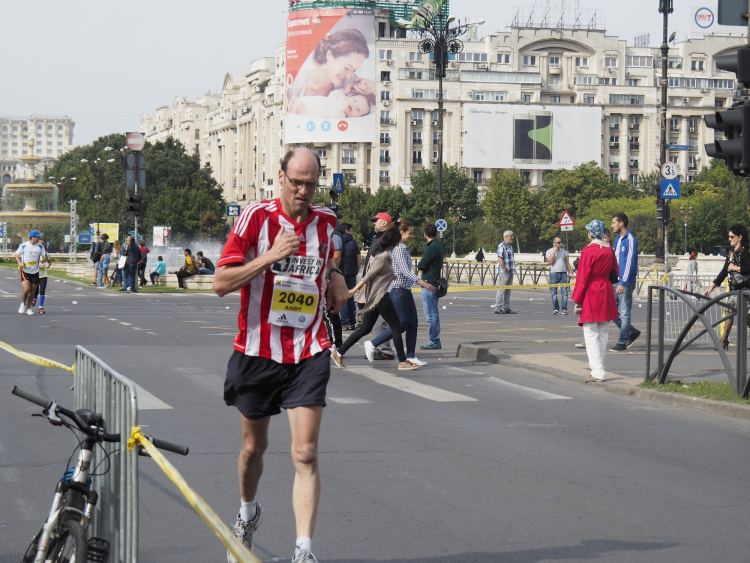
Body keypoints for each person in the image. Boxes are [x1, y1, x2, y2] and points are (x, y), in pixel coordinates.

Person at [213, 147, 348, 563]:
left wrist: (337, 278)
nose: (303, 191)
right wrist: (270, 256)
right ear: (281, 177)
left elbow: (323, 266)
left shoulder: (326, 223)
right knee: (254, 449)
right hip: (257, 349)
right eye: (296, 182)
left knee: (305, 452)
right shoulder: (256, 217)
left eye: (311, 183)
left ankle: (303, 550)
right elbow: (220, 282)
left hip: (308, 349)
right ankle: (248, 510)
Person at [331, 227, 420, 371]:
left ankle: (339, 352)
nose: (398, 244)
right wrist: (354, 290)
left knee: (365, 328)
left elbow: (378, 273)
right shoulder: (383, 256)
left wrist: (391, 276)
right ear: (392, 241)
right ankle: (402, 361)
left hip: (375, 297)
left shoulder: (378, 254)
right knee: (397, 327)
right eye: (397, 241)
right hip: (380, 297)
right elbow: (369, 275)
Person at [366, 220, 435, 366]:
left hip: (405, 289)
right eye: (410, 233)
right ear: (401, 232)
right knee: (401, 324)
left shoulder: (403, 248)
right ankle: (373, 344)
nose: (412, 236)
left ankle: (410, 356)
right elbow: (404, 270)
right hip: (398, 290)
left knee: (412, 324)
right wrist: (422, 283)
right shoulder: (399, 248)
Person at [571, 220, 619, 382]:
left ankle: (597, 371)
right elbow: (615, 272)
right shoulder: (609, 250)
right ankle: (599, 368)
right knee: (603, 332)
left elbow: (583, 277)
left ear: (591, 234)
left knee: (591, 333)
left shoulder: (588, 251)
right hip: (606, 289)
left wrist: (578, 300)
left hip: (592, 291)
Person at [288, 28, 375, 103]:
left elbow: (376, 103)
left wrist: (373, 88)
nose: (349, 76)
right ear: (329, 55)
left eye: (354, 70)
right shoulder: (297, 77)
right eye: (347, 68)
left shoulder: (349, 83)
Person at [703, 224, 750, 350]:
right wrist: (711, 287)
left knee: (747, 317)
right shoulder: (730, 253)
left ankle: (723, 341)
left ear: (740, 237)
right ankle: (723, 341)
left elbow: (748, 269)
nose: (729, 239)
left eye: (732, 237)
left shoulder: (744, 253)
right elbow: (724, 271)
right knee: (729, 313)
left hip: (745, 290)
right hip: (735, 291)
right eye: (729, 237)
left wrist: (734, 268)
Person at [363, 212, 395, 359]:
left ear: (384, 223)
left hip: (380, 285)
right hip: (378, 283)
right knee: (375, 319)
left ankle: (384, 350)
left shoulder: (386, 239)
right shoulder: (381, 238)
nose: (373, 223)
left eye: (376, 221)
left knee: (380, 320)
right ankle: (379, 348)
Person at [610, 213, 641, 351]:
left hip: (625, 281)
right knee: (609, 309)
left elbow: (629, 262)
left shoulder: (630, 239)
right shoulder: (618, 239)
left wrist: (623, 282)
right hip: (616, 280)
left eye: (613, 223)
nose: (612, 225)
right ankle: (632, 331)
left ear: (621, 223)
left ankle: (622, 341)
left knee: (624, 311)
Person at [418, 223, 445, 350]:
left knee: (431, 314)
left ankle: (434, 339)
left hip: (429, 282)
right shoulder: (438, 245)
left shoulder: (431, 247)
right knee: (433, 312)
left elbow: (422, 265)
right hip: (434, 280)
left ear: (425, 234)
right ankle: (435, 339)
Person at [15, 230, 46, 315]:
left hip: (35, 271)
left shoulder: (40, 246)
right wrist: (19, 263)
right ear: (33, 237)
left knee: (32, 291)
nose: (39, 238)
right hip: (25, 271)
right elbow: (16, 254)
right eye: (38, 237)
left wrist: (43, 259)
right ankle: (23, 304)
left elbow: (44, 255)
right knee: (27, 289)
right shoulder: (24, 245)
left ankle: (29, 308)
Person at [288, 91, 375, 118]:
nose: (355, 106)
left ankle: (292, 113)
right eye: (355, 100)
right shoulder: (339, 98)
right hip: (310, 102)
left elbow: (330, 115)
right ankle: (294, 105)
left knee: (296, 106)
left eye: (358, 110)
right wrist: (343, 95)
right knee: (296, 101)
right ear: (350, 97)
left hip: (309, 111)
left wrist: (341, 102)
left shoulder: (341, 116)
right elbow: (332, 94)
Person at [340, 222, 361, 331]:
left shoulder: (338, 240)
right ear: (347, 230)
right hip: (352, 274)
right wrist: (356, 271)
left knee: (343, 298)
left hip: (341, 274)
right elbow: (359, 260)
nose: (352, 232)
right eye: (351, 230)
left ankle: (343, 323)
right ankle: (352, 322)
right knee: (351, 297)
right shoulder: (354, 243)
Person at [546, 236, 572, 314]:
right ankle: (556, 308)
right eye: (558, 242)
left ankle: (564, 309)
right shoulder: (549, 251)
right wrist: (554, 252)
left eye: (560, 242)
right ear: (554, 243)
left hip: (563, 273)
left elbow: (566, 262)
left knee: (564, 292)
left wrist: (570, 272)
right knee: (554, 293)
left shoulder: (563, 251)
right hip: (554, 273)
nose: (560, 244)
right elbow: (550, 262)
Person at [494, 231, 516, 315]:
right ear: (506, 237)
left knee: (508, 291)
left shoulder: (510, 246)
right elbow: (500, 258)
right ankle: (498, 307)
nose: (512, 237)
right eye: (511, 236)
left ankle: (507, 308)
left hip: (510, 270)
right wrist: (504, 268)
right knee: (501, 290)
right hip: (504, 271)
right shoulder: (501, 246)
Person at [32, 239, 51, 314]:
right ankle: (34, 298)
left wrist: (48, 265)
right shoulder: (34, 253)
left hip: (43, 275)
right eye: (40, 244)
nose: (41, 245)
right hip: (35, 274)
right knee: (35, 291)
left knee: (42, 291)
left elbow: (49, 261)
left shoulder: (46, 254)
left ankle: (40, 307)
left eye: (42, 244)